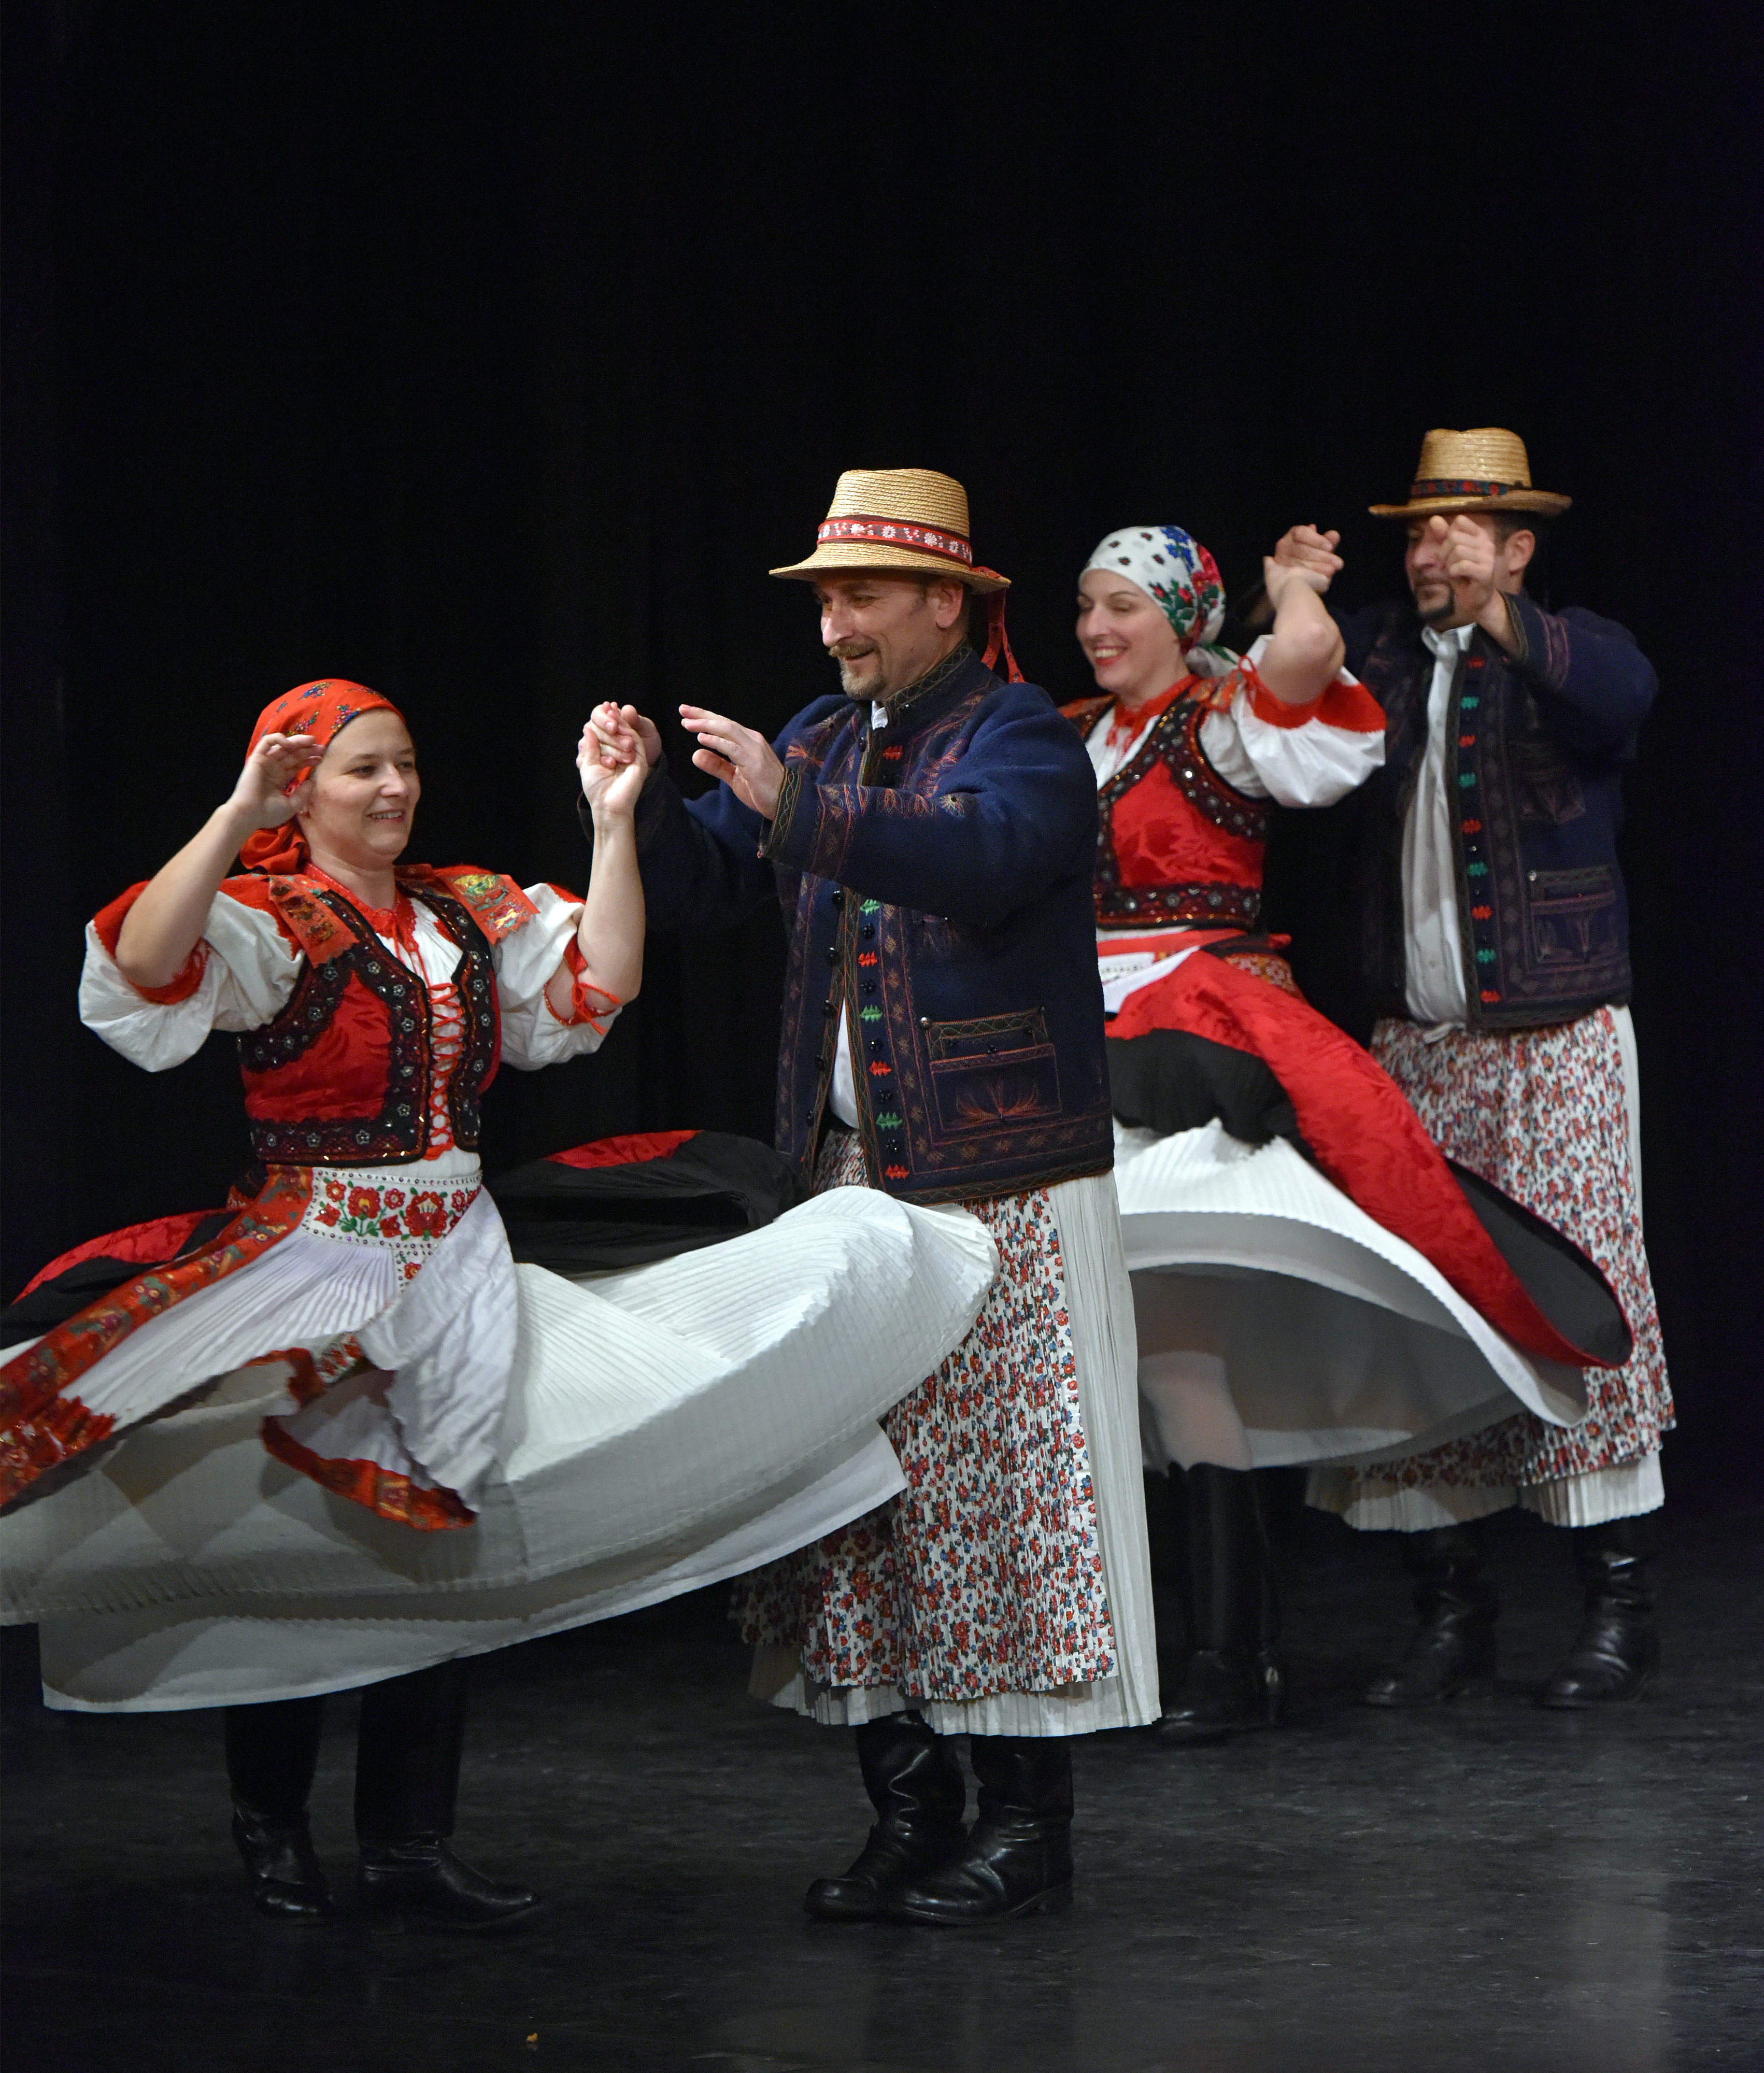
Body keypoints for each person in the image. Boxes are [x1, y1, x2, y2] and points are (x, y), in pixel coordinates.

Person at [1, 678, 1001, 1929]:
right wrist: (234, 816)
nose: (395, 787)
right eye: (364, 768)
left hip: (455, 1247)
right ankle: (273, 1824)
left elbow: (599, 982)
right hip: (312, 1241)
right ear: (299, 789)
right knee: (296, 1530)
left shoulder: (463, 912)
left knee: (441, 1521)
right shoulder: (270, 916)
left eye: (406, 762)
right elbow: (145, 967)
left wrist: (613, 819)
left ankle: (408, 1841)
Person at [593, 467, 1159, 1925]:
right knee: (864, 1494)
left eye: (857, 595)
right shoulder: (821, 734)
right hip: (849, 1175)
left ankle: (1026, 1824)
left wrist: (800, 805)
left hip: (1003, 1178)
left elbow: (984, 858)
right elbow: (715, 887)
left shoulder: (1021, 733)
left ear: (943, 602)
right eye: (824, 599)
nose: (832, 624)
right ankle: (909, 1811)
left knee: (1006, 1497)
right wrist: (637, 805)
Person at [1063, 523, 1632, 1743]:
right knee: (1125, 1347)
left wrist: (1289, 590)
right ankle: (1179, 1645)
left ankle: (1231, 1656)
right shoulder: (1069, 737)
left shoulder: (1223, 720)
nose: (1097, 629)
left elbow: (1307, 666)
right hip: (1082, 1046)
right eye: (1086, 608)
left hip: (1192, 1036)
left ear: (1182, 618)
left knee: (1178, 1340)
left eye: (1122, 606)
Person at [1270, 428, 1671, 1707]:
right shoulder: (1383, 655)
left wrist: (1501, 614)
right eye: (1418, 532)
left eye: (1458, 530)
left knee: (1582, 1295)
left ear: (1517, 547)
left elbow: (1620, 698)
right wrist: (1294, 598)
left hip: (1556, 1042)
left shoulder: (1570, 648)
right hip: (1418, 1046)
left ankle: (1616, 1600)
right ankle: (1451, 1606)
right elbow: (1282, 723)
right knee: (1425, 1312)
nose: (1428, 551)